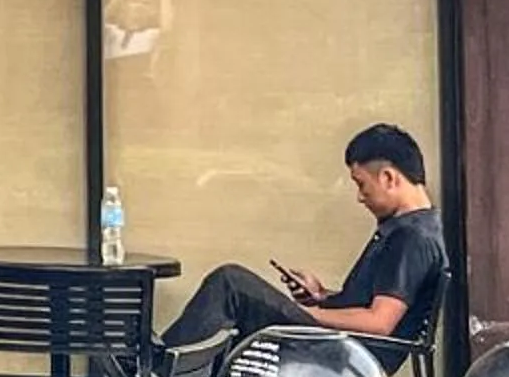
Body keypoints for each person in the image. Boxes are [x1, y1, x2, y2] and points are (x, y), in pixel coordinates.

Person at [157, 122, 446, 350]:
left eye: (361, 185)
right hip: (345, 342)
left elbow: (380, 321)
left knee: (230, 282)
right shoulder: (419, 228)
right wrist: (322, 296)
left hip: (349, 353)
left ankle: (157, 371)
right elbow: (376, 301)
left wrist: (306, 315)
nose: (360, 197)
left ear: (388, 178)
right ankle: (169, 371)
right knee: (234, 301)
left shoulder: (412, 238)